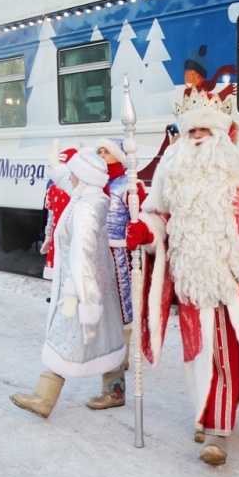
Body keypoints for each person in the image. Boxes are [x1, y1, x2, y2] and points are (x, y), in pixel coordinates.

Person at [125, 79, 239, 465]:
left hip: (234, 281)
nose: (196, 137)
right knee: (200, 352)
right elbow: (160, 216)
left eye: (204, 129)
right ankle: (210, 413)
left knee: (226, 354)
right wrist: (146, 231)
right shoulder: (170, 169)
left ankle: (216, 432)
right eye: (190, 129)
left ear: (221, 132)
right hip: (191, 281)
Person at [10, 151, 126, 419]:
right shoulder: (88, 196)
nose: (70, 177)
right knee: (106, 334)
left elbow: (83, 253)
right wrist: (57, 167)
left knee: (66, 337)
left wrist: (83, 296)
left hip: (83, 286)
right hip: (95, 284)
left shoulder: (86, 207)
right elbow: (67, 180)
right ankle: (115, 391)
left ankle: (43, 398)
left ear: (84, 178)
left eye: (74, 173)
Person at [92, 138, 147, 376]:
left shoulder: (128, 184)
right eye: (99, 151)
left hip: (118, 252)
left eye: (107, 151)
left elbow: (141, 216)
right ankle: (103, 348)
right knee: (99, 299)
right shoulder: (93, 183)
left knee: (122, 300)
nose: (102, 154)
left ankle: (122, 353)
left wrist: (131, 236)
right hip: (95, 249)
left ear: (119, 157)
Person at [41, 148, 78, 280]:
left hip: (73, 238)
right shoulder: (52, 188)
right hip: (58, 237)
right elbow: (50, 216)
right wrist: (48, 235)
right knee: (58, 270)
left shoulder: (77, 190)